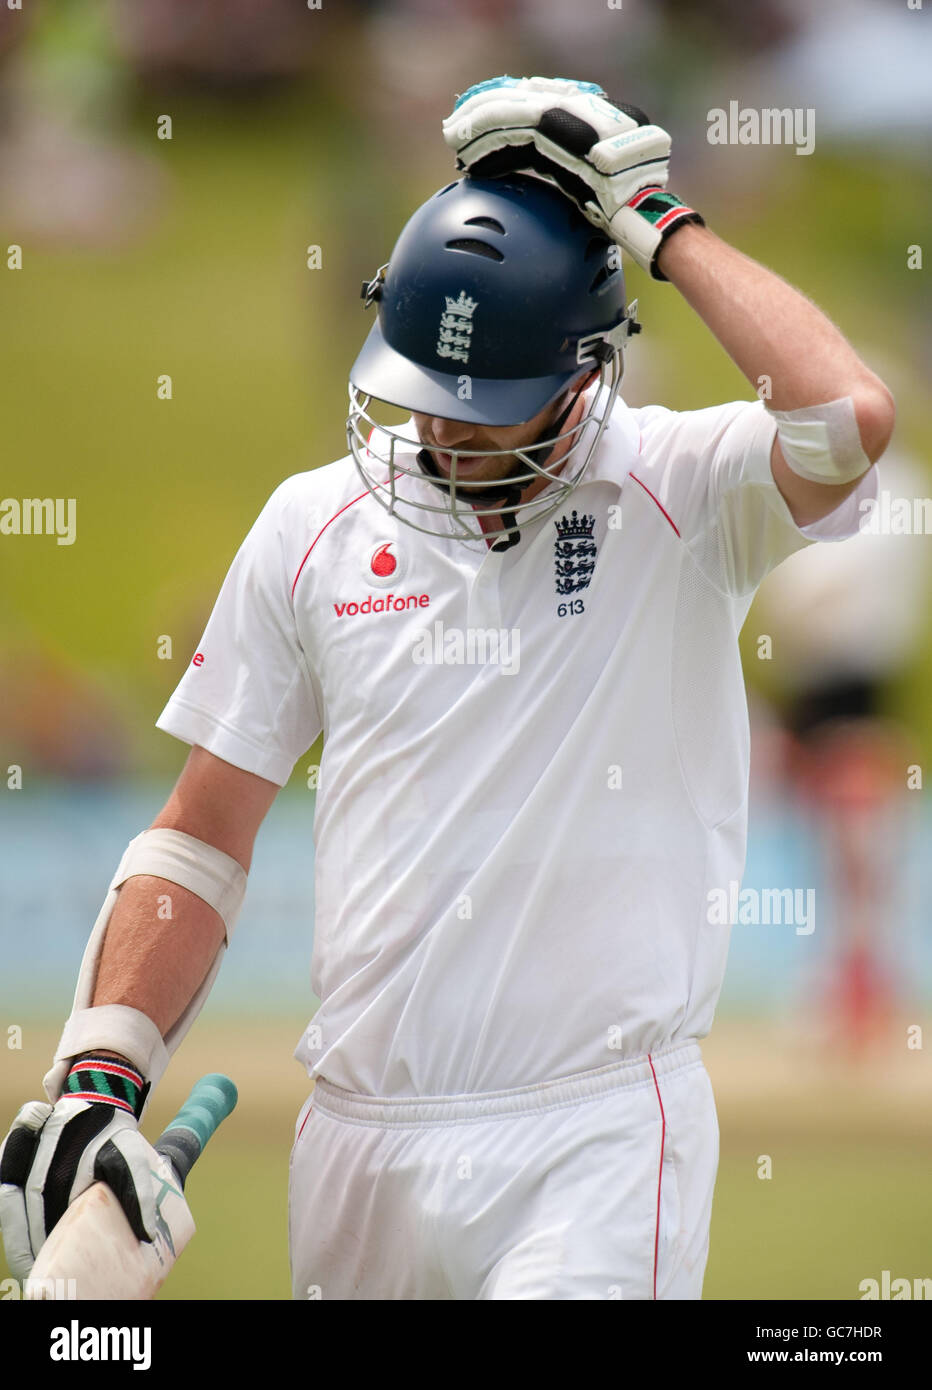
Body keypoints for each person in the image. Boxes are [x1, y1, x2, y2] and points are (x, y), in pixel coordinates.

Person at [0, 77, 894, 1300]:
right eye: (428, 398)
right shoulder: (309, 525)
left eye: (490, 412)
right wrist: (101, 1069)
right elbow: (201, 837)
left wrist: (657, 222)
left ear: (588, 373)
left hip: (592, 1138)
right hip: (359, 1143)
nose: (448, 440)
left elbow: (845, 420)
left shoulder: (686, 489)